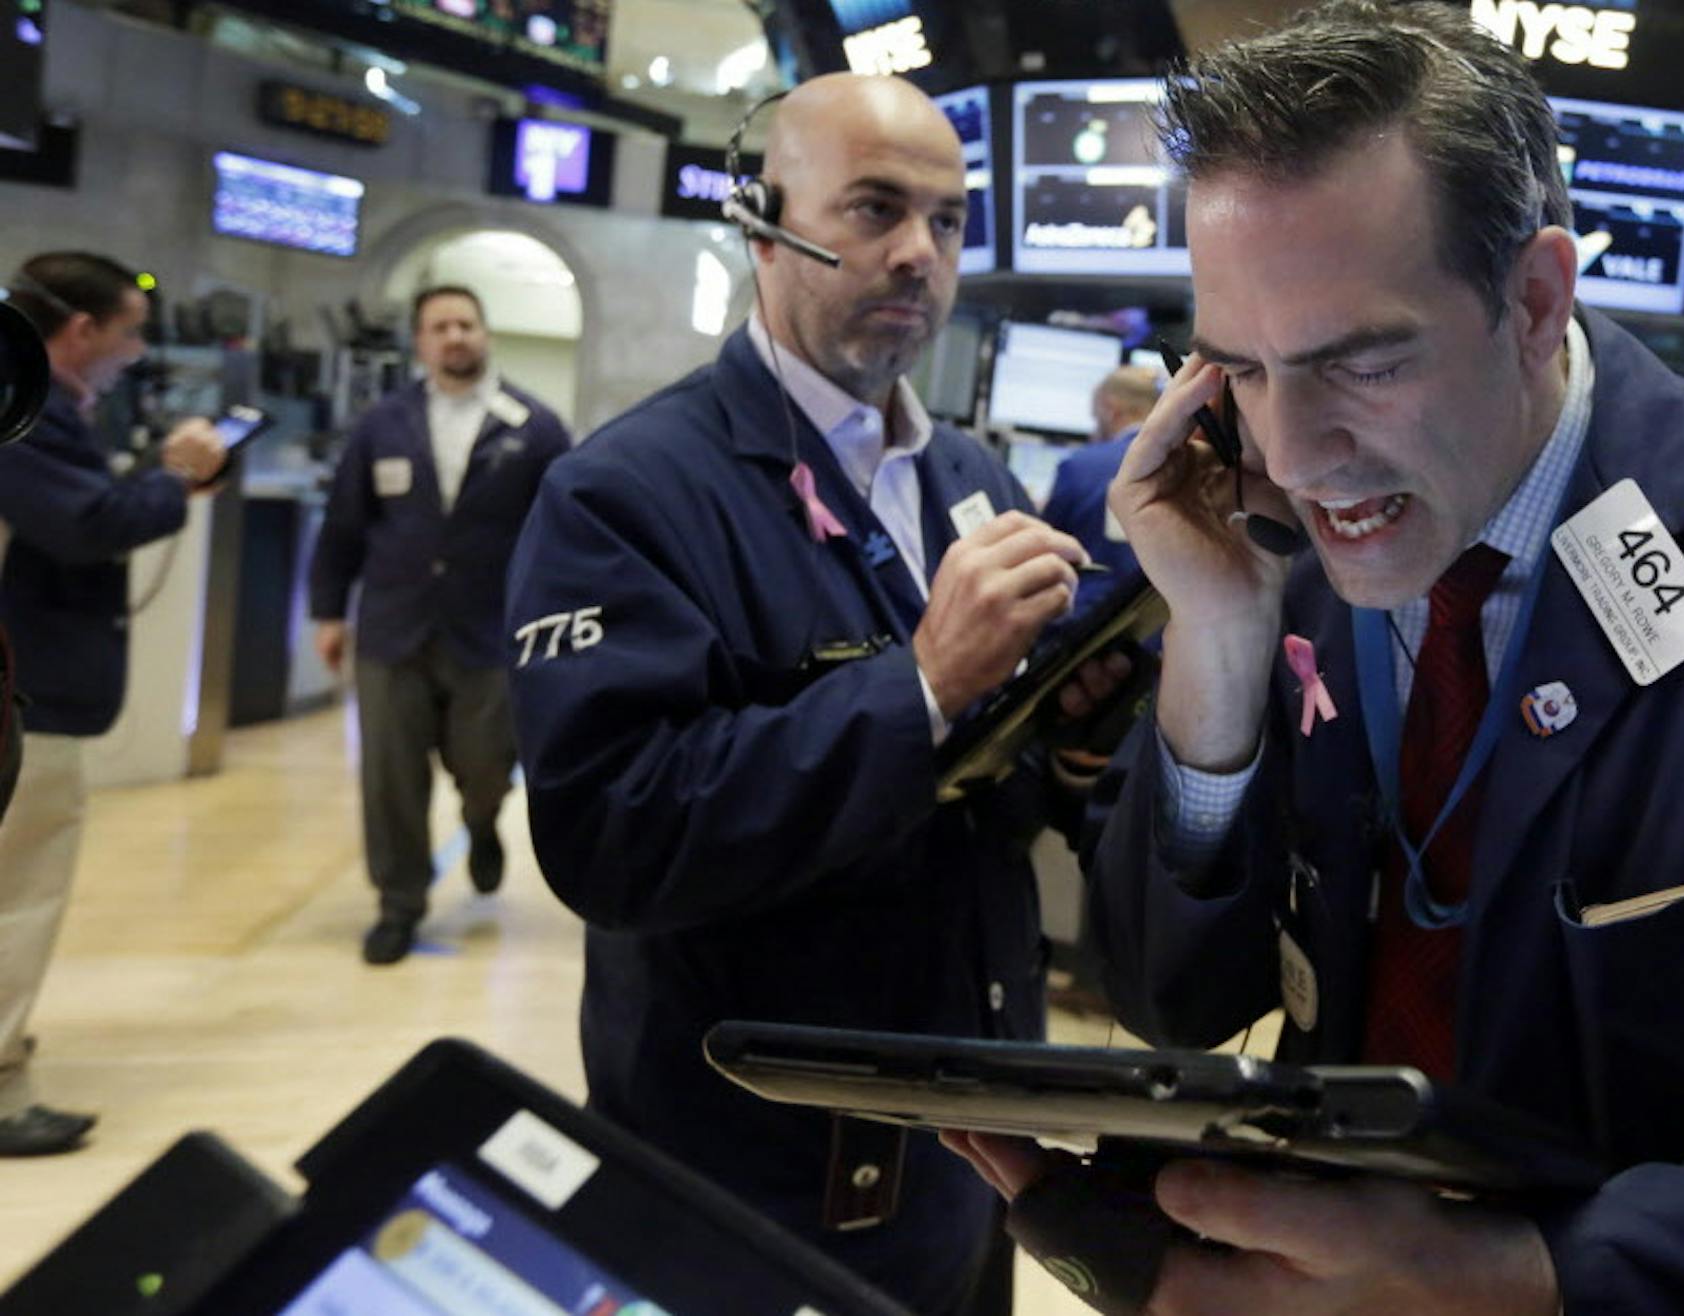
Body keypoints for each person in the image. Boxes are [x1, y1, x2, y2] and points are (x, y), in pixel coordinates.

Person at [946, 5, 1684, 1312]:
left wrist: (1521, 1282)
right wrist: (1215, 644)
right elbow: (1172, 1000)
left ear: (1537, 299)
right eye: (1243, 371)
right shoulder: (1274, 554)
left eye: (1362, 362)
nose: (1303, 450)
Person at [503, 74, 1102, 1315]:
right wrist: (925, 681)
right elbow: (612, 833)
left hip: (970, 1131)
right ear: (761, 216)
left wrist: (1076, 727)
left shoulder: (971, 474)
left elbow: (989, 783)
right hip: (751, 1159)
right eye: (876, 208)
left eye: (945, 223)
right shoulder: (624, 493)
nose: (915, 255)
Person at [0, 251, 225, 1156]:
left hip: (29, 686)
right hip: (28, 696)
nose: (134, 355)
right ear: (82, 329)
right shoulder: (26, 405)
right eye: (128, 334)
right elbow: (86, 524)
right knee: (19, 890)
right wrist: (173, 478)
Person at [308, 286, 571, 965]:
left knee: (486, 767)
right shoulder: (381, 425)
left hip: (492, 633)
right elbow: (344, 525)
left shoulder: (535, 427)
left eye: (465, 323)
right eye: (438, 326)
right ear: (420, 342)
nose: (454, 336)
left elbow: (565, 535)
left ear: (485, 333)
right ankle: (399, 903)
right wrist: (329, 612)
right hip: (393, 627)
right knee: (390, 779)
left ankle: (482, 823)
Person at [1042, 364, 1157, 615]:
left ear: (1109, 408)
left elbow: (1047, 547)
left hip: (1085, 623)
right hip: (1158, 624)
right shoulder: (1181, 462)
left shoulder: (1080, 465)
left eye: (1095, 417)